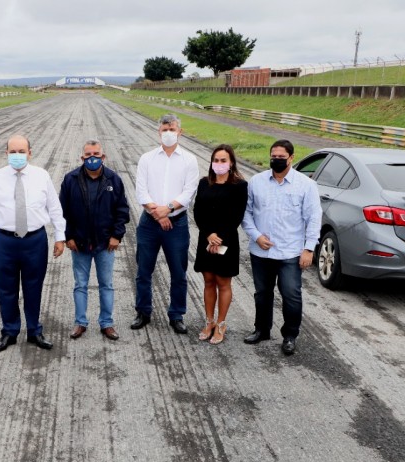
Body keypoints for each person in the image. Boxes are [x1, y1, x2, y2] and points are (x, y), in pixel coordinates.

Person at [0, 135, 66, 352]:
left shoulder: (41, 176)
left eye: (21, 151)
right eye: (12, 152)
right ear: (6, 153)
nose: (17, 156)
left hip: (35, 240)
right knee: (6, 288)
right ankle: (9, 331)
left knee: (34, 286)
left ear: (30, 153)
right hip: (5, 240)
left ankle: (35, 330)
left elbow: (54, 208)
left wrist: (60, 236)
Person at [241, 139, 322, 355]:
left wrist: (309, 249)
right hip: (261, 251)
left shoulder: (306, 185)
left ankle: (289, 335)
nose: (276, 160)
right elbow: (246, 213)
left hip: (290, 252)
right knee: (262, 293)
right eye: (273, 157)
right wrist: (256, 236)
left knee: (291, 294)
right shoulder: (256, 182)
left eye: (281, 157)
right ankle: (262, 329)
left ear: (291, 158)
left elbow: (314, 219)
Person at [132, 114, 200, 334]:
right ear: (158, 132)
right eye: (164, 129)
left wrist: (168, 209)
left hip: (177, 224)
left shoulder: (189, 160)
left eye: (172, 129)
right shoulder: (146, 158)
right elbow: (141, 190)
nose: (168, 133)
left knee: (178, 272)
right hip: (150, 222)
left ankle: (177, 314)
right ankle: (143, 311)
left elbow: (189, 192)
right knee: (144, 270)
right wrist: (158, 214)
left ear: (180, 131)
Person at [59, 140, 130, 341]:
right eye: (88, 154)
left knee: (106, 284)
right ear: (82, 158)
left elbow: (122, 210)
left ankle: (107, 323)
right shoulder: (70, 179)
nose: (92, 158)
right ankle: (80, 322)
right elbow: (62, 211)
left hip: (105, 244)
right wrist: (68, 236)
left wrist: (117, 235)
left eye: (96, 154)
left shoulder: (113, 180)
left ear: (103, 157)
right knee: (80, 284)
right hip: (79, 243)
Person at [193, 144, 248, 345]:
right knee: (208, 280)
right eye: (216, 160)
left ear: (231, 162)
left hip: (227, 240)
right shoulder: (204, 183)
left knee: (223, 282)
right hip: (206, 238)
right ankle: (209, 321)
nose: (219, 164)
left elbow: (237, 215)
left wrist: (219, 237)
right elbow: (198, 211)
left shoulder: (240, 186)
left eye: (223, 160)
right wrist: (209, 234)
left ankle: (221, 323)